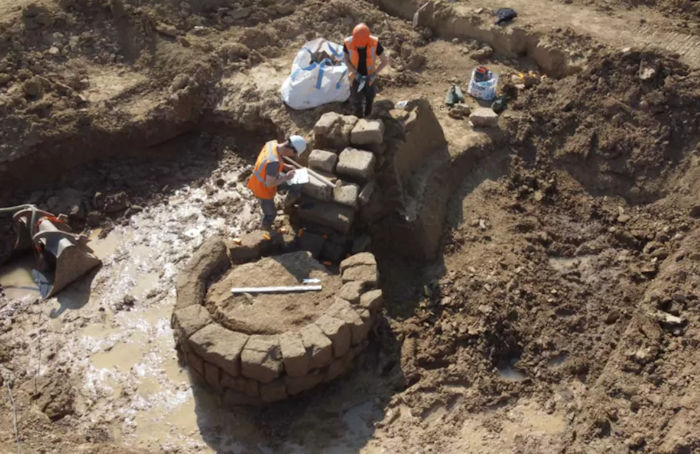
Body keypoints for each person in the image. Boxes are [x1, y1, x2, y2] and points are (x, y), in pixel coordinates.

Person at [247, 135, 307, 229]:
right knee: (271, 214)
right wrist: (286, 177)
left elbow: (272, 160)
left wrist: (285, 166)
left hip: (263, 179)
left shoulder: (271, 144)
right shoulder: (273, 163)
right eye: (294, 154)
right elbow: (269, 183)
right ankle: (264, 229)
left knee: (296, 182)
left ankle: (287, 203)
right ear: (291, 149)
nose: (293, 156)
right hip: (263, 189)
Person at [343, 23, 391, 118]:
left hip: (370, 77)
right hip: (354, 77)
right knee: (356, 101)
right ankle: (358, 119)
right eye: (358, 46)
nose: (360, 47)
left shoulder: (374, 43)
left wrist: (374, 74)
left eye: (362, 46)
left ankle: (368, 116)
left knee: (370, 98)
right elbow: (346, 60)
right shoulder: (348, 43)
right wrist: (355, 73)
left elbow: (385, 61)